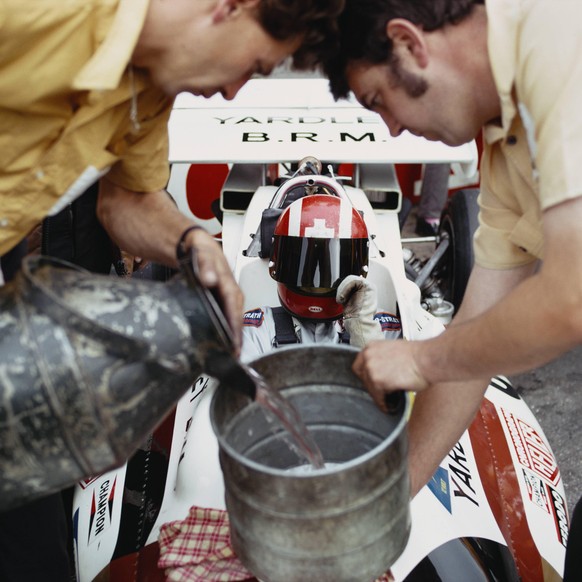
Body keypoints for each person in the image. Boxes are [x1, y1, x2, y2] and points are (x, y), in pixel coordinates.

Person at [0, 0, 344, 579]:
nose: (236, 94)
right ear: (229, 7)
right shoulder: (38, 15)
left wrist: (192, 243)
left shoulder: (151, 85)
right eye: (254, 67)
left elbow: (126, 200)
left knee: (35, 552)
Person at [322, 0, 582, 578]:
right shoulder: (500, 138)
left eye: (378, 102)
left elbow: (568, 297)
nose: (387, 128)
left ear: (410, 44)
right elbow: (474, 336)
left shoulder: (554, 32)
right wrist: (380, 512)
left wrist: (420, 357)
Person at [241, 193, 402, 363]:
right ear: (277, 264)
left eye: (329, 266)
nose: (316, 283)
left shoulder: (381, 328)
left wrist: (365, 335)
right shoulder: (255, 330)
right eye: (306, 265)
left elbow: (405, 386)